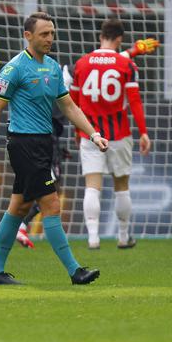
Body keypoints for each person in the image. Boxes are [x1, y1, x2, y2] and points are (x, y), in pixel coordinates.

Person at [0, 11, 106, 286]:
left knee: (19, 205)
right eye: (44, 34)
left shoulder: (51, 67)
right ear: (28, 36)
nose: (50, 39)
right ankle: (75, 271)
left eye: (52, 33)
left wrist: (93, 134)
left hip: (43, 143)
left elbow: (69, 106)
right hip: (24, 144)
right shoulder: (14, 68)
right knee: (51, 203)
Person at [70, 19, 159, 250]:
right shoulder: (125, 65)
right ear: (119, 38)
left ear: (101, 36)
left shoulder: (81, 64)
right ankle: (122, 236)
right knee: (121, 186)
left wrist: (77, 130)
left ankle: (93, 237)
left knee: (92, 185)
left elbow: (74, 103)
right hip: (119, 133)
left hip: (91, 133)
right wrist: (144, 133)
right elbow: (135, 101)